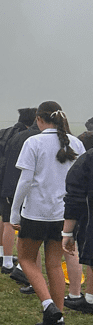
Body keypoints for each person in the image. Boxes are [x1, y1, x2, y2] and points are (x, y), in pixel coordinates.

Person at [9, 101, 83, 325]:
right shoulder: (76, 143)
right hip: (63, 214)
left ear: (39, 120)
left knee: (26, 259)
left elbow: (25, 181)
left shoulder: (33, 142)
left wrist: (14, 211)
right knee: (54, 264)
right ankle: (58, 319)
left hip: (36, 213)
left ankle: (48, 305)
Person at [0, 107, 38, 283]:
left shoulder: (3, 133)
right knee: (11, 221)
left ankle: (4, 255)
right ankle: (8, 263)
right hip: (10, 183)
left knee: (4, 219)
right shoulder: (24, 137)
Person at [63, 132, 93, 315]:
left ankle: (90, 299)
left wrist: (67, 232)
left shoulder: (88, 160)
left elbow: (74, 197)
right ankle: (89, 298)